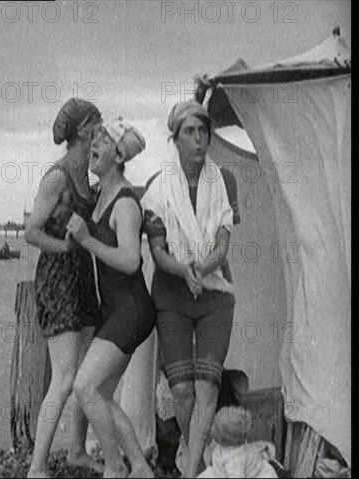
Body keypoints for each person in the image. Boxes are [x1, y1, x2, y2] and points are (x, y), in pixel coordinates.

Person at [141, 100, 240, 477]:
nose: (199, 140)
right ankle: (196, 458)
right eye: (190, 133)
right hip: (172, 294)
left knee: (208, 386)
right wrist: (184, 272)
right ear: (175, 139)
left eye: (203, 132)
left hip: (214, 293)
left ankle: (192, 470)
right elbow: (157, 250)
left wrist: (203, 269)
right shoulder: (158, 188)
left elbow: (222, 243)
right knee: (181, 391)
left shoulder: (225, 181)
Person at [66, 118, 155, 478]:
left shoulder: (125, 204)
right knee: (100, 394)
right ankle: (140, 468)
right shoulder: (100, 194)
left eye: (102, 141)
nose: (94, 147)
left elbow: (132, 260)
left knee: (84, 387)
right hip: (116, 310)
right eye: (93, 140)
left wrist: (87, 240)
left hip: (132, 310)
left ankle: (115, 467)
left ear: (118, 155)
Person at [25, 98, 104, 478]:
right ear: (83, 129)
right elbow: (31, 232)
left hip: (83, 276)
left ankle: (76, 450)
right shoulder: (57, 177)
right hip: (58, 277)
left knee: (86, 370)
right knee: (65, 375)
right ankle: (37, 466)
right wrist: (67, 247)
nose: (101, 127)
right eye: (97, 121)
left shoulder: (89, 176)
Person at [198, 406, 278, 478]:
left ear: (223, 439)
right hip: (223, 471)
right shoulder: (232, 444)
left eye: (214, 427)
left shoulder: (235, 460)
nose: (211, 428)